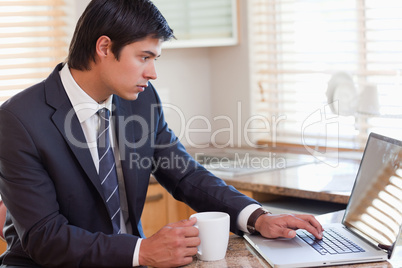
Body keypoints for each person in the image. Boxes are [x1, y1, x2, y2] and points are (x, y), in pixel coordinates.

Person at [0, 0, 323, 267]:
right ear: (104, 47)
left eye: (155, 59)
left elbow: (185, 175)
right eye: (144, 57)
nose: (152, 73)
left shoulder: (141, 101)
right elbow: (45, 238)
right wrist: (142, 251)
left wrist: (257, 218)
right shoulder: (19, 120)